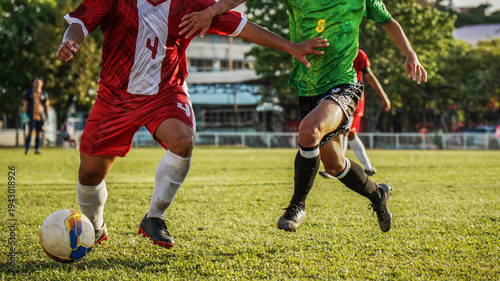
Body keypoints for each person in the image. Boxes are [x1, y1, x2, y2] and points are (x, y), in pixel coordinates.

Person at [56, 0, 328, 249]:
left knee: (182, 139)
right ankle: (94, 226)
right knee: (90, 174)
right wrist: (71, 42)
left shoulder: (190, 4)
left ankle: (154, 217)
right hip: (115, 97)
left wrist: (291, 47)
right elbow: (80, 23)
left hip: (165, 92)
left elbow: (241, 26)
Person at [180, 0, 427, 233]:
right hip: (308, 86)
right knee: (335, 165)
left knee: (309, 131)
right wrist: (212, 11)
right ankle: (378, 195)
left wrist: (410, 54)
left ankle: (296, 206)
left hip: (344, 85)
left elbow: (388, 21)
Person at [319, 49, 390, 178]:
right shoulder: (337, 51)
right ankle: (368, 167)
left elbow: (369, 75)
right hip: (340, 97)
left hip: (353, 100)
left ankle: (337, 168)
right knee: (351, 135)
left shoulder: (358, 54)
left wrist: (383, 95)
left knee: (344, 133)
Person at [23, 77, 50, 155]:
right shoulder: (28, 93)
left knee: (39, 133)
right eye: (35, 82)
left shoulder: (44, 94)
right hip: (31, 115)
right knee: (30, 132)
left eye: (38, 82)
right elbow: (25, 103)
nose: (37, 84)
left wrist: (47, 115)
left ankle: (36, 149)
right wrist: (24, 114)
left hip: (40, 116)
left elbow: (46, 105)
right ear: (33, 83)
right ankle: (27, 149)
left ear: (42, 84)